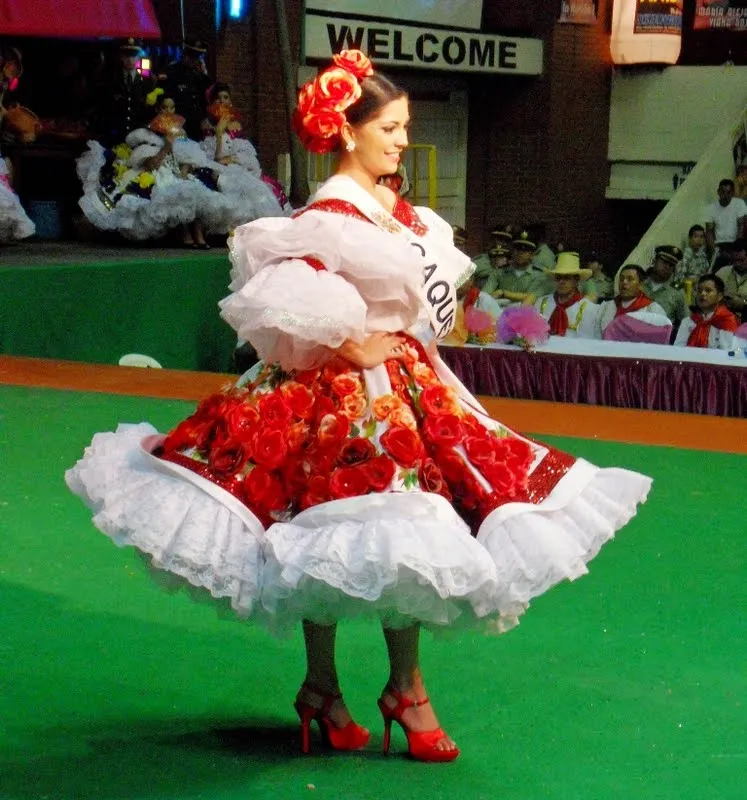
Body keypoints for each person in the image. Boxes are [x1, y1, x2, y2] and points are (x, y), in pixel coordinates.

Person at [66, 50, 651, 763]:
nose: (403, 140)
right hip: (345, 396)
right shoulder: (329, 216)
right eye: (392, 127)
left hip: (402, 386)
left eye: (404, 127)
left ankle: (375, 690)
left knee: (405, 532)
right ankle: (354, 689)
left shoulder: (390, 210)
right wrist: (349, 342)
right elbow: (282, 298)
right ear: (349, 132)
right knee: (341, 531)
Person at [199, 82, 292, 217]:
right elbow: (215, 160)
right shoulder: (207, 126)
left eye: (226, 97)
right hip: (221, 172)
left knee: (260, 191)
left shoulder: (236, 126)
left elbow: (248, 157)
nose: (222, 101)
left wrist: (233, 159)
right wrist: (219, 132)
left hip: (240, 169)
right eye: (218, 98)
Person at [595, 265, 672, 343]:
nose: (624, 282)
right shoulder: (606, 307)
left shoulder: (653, 310)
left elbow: (661, 341)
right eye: (621, 279)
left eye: (630, 279)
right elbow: (597, 337)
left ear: (641, 285)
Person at [534, 252, 598, 338]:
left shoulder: (589, 308)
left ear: (576, 281)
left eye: (567, 277)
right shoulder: (541, 302)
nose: (561, 282)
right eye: (558, 277)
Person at [673, 274, 739, 350]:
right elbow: (677, 351)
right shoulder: (688, 322)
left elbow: (728, 352)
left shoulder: (727, 321)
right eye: (699, 291)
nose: (702, 294)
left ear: (720, 296)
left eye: (708, 290)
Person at [163, 39, 213, 140]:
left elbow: (210, 95)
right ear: (184, 54)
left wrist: (204, 73)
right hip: (179, 126)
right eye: (191, 55)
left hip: (198, 128)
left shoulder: (200, 76)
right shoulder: (172, 72)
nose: (193, 60)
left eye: (197, 57)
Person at [643, 245, 688, 333]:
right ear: (655, 261)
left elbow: (684, 322)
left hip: (661, 339)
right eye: (664, 262)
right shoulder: (640, 283)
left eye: (671, 265)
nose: (667, 267)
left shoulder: (677, 292)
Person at [705, 178, 747, 268]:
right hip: (720, 245)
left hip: (735, 243)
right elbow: (709, 232)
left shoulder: (739, 203)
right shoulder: (710, 209)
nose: (726, 195)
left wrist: (737, 247)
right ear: (718, 192)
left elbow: (741, 225)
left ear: (732, 193)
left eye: (729, 192)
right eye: (723, 192)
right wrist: (715, 251)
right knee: (720, 262)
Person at [716, 238, 747, 323]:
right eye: (735, 260)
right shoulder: (723, 272)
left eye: (741, 260)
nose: (738, 263)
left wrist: (744, 302)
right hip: (724, 318)